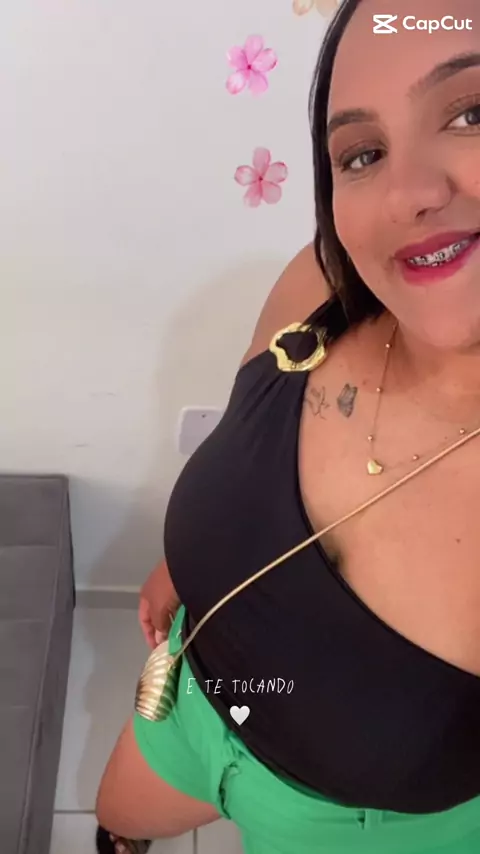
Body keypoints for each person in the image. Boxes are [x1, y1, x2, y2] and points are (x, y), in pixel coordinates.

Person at [95, 0, 480, 851]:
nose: (408, 193)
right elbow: (244, 449)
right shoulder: (320, 288)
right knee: (114, 820)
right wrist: (188, 562)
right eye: (362, 154)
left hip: (351, 829)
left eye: (471, 112)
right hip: (190, 706)